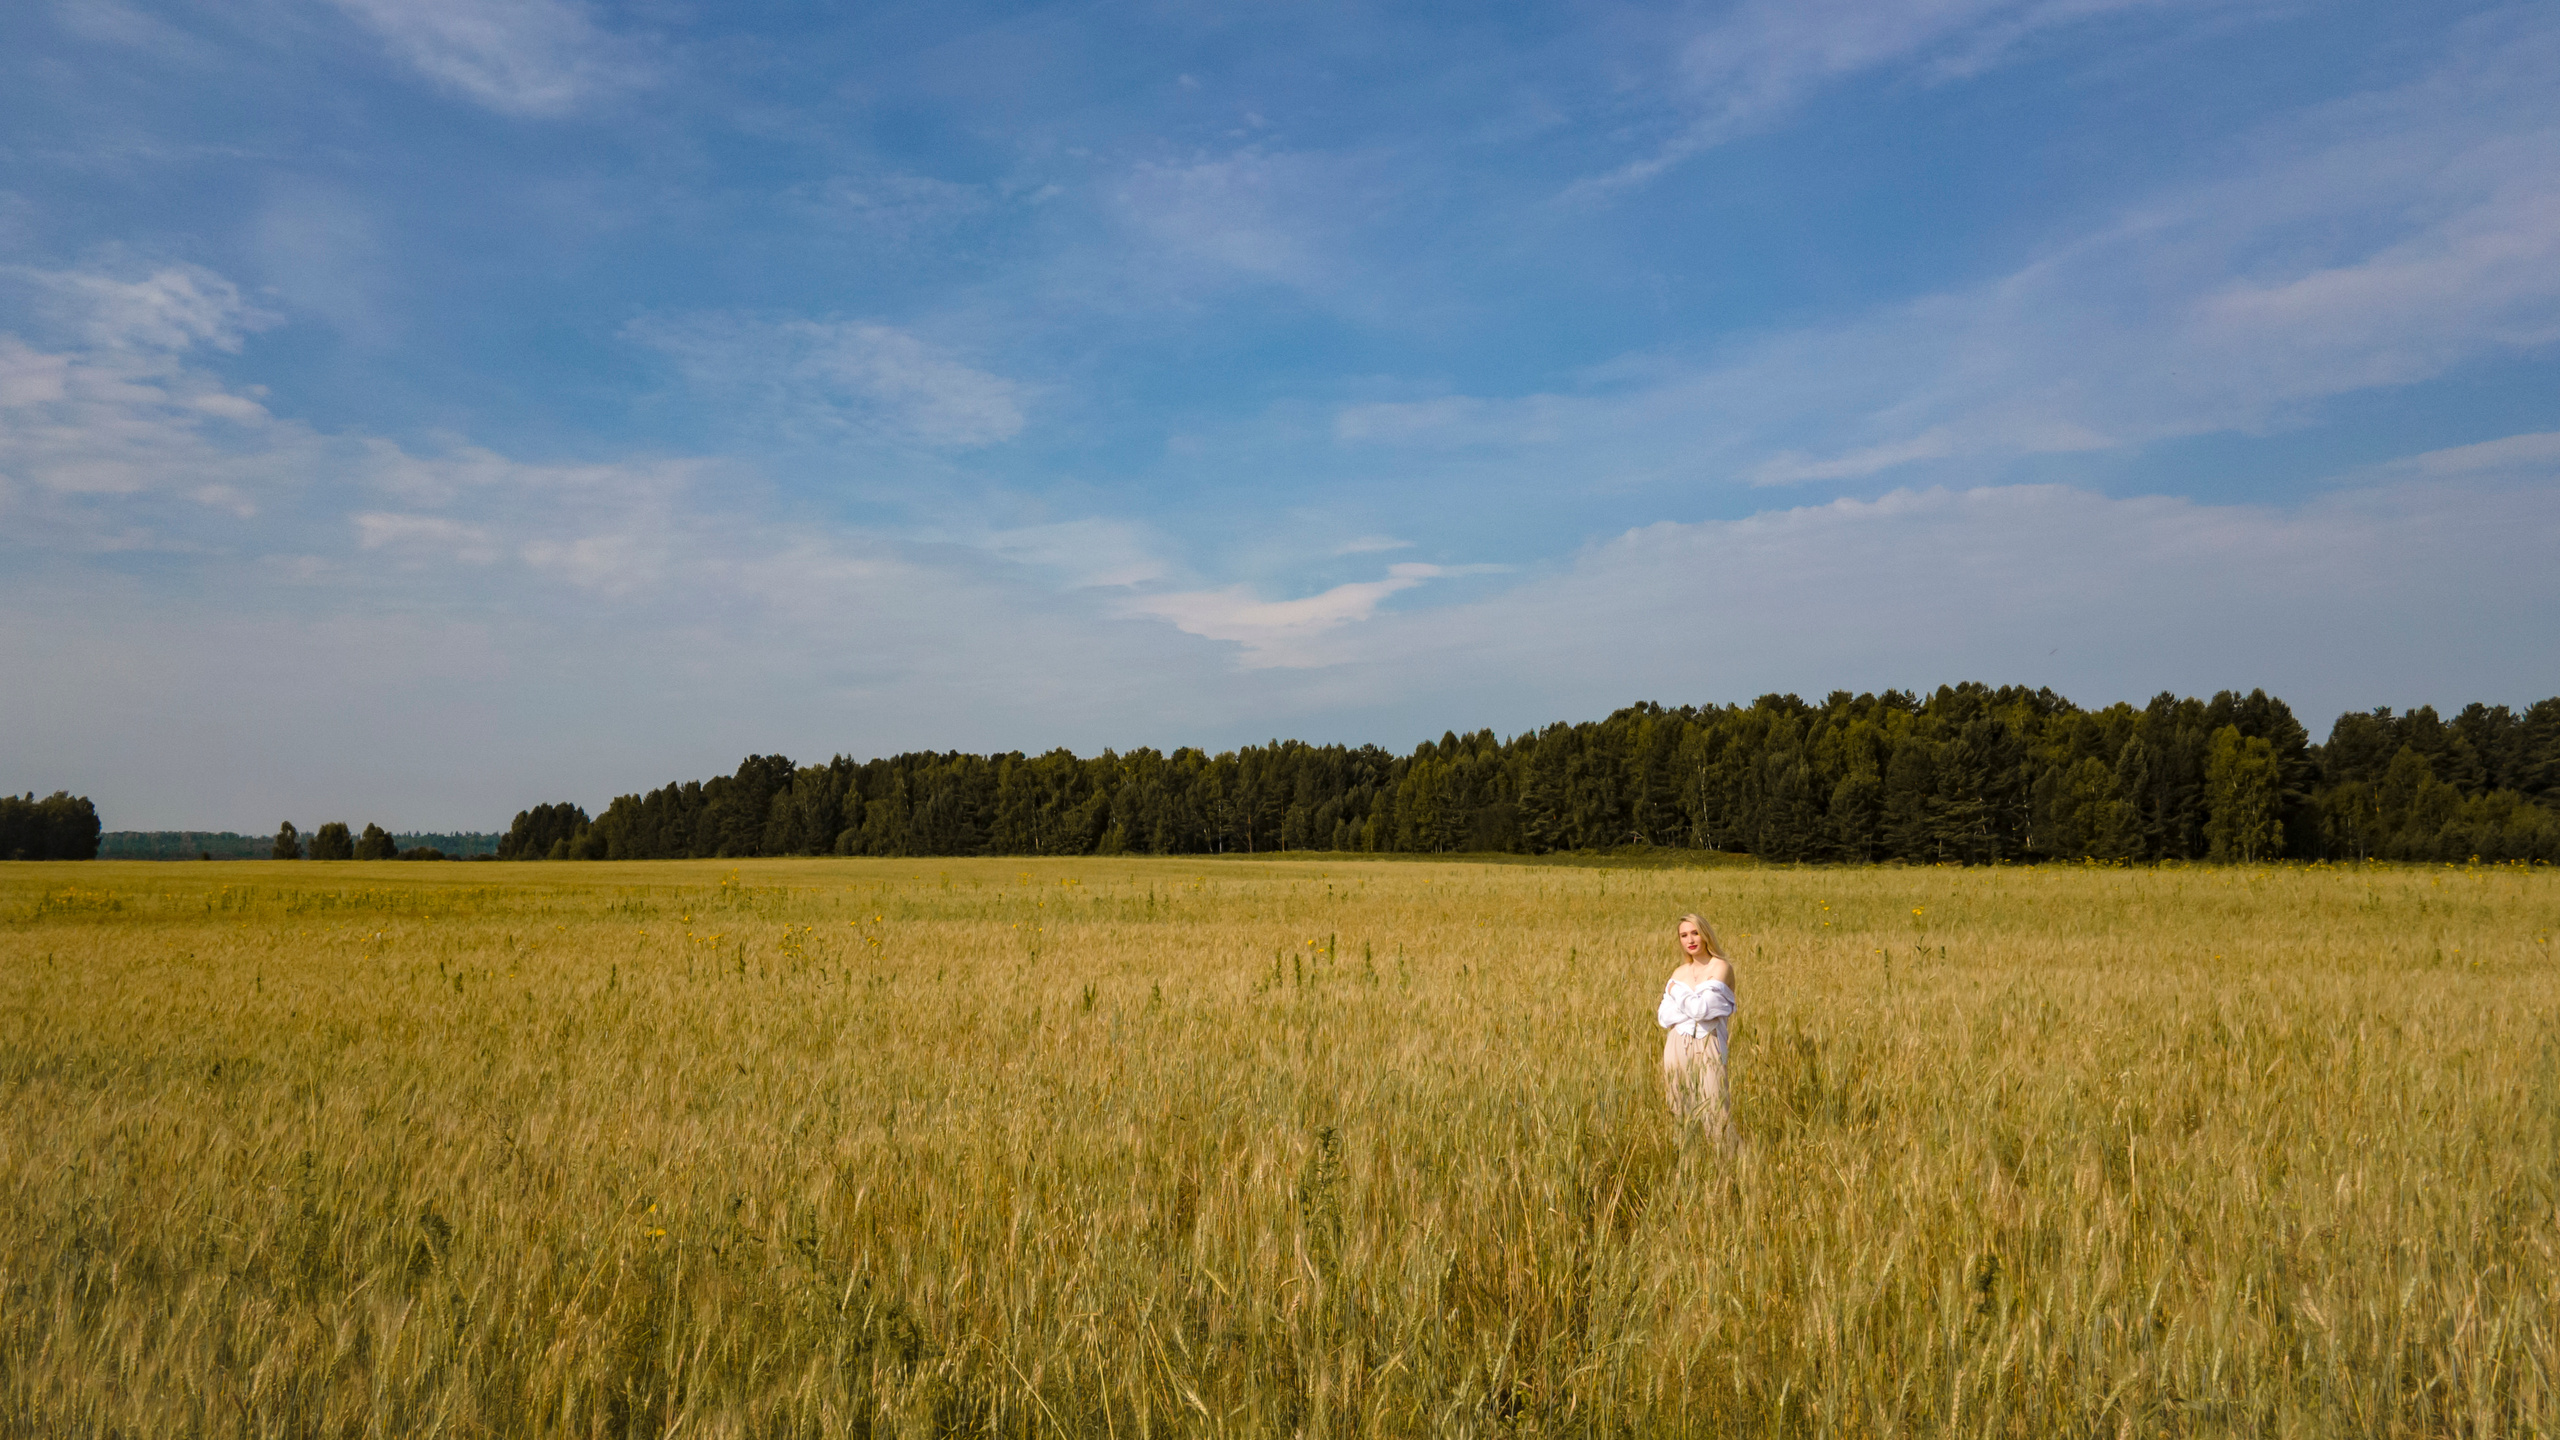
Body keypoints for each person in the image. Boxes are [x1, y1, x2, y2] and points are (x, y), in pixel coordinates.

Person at [1657, 911, 1737, 1143]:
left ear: (1705, 935)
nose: (1690, 940)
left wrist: (1675, 991)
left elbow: (1701, 1010)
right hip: (1676, 1044)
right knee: (1679, 1111)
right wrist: (1690, 1004)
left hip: (1708, 1044)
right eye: (1684, 935)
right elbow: (1664, 1016)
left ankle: (1732, 1171)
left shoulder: (1721, 967)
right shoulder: (1679, 972)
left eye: (1695, 933)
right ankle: (1689, 1168)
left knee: (1716, 1114)